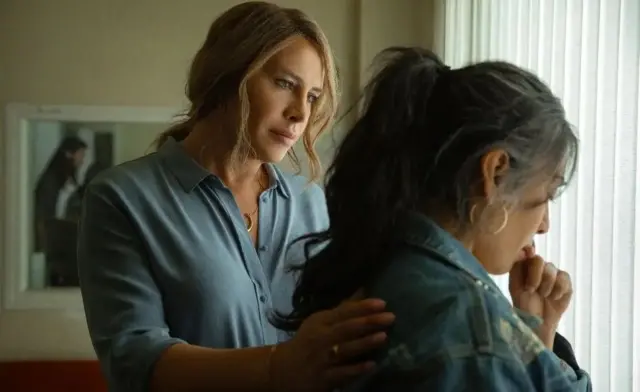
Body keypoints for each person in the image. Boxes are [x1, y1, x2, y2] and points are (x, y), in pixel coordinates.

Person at [77, 2, 394, 392]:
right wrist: (279, 367)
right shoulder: (122, 199)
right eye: (284, 83)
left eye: (312, 96)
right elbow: (134, 359)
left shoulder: (311, 201)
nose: (300, 113)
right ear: (227, 75)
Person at [274, 47, 593, 391]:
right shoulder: (466, 328)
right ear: (495, 172)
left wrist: (533, 337)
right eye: (544, 197)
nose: (544, 225)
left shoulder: (380, 262)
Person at [34, 135, 87, 252]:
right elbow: (42, 216)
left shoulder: (69, 180)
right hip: (53, 238)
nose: (82, 160)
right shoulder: (50, 181)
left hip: (63, 237)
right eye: (81, 155)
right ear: (69, 154)